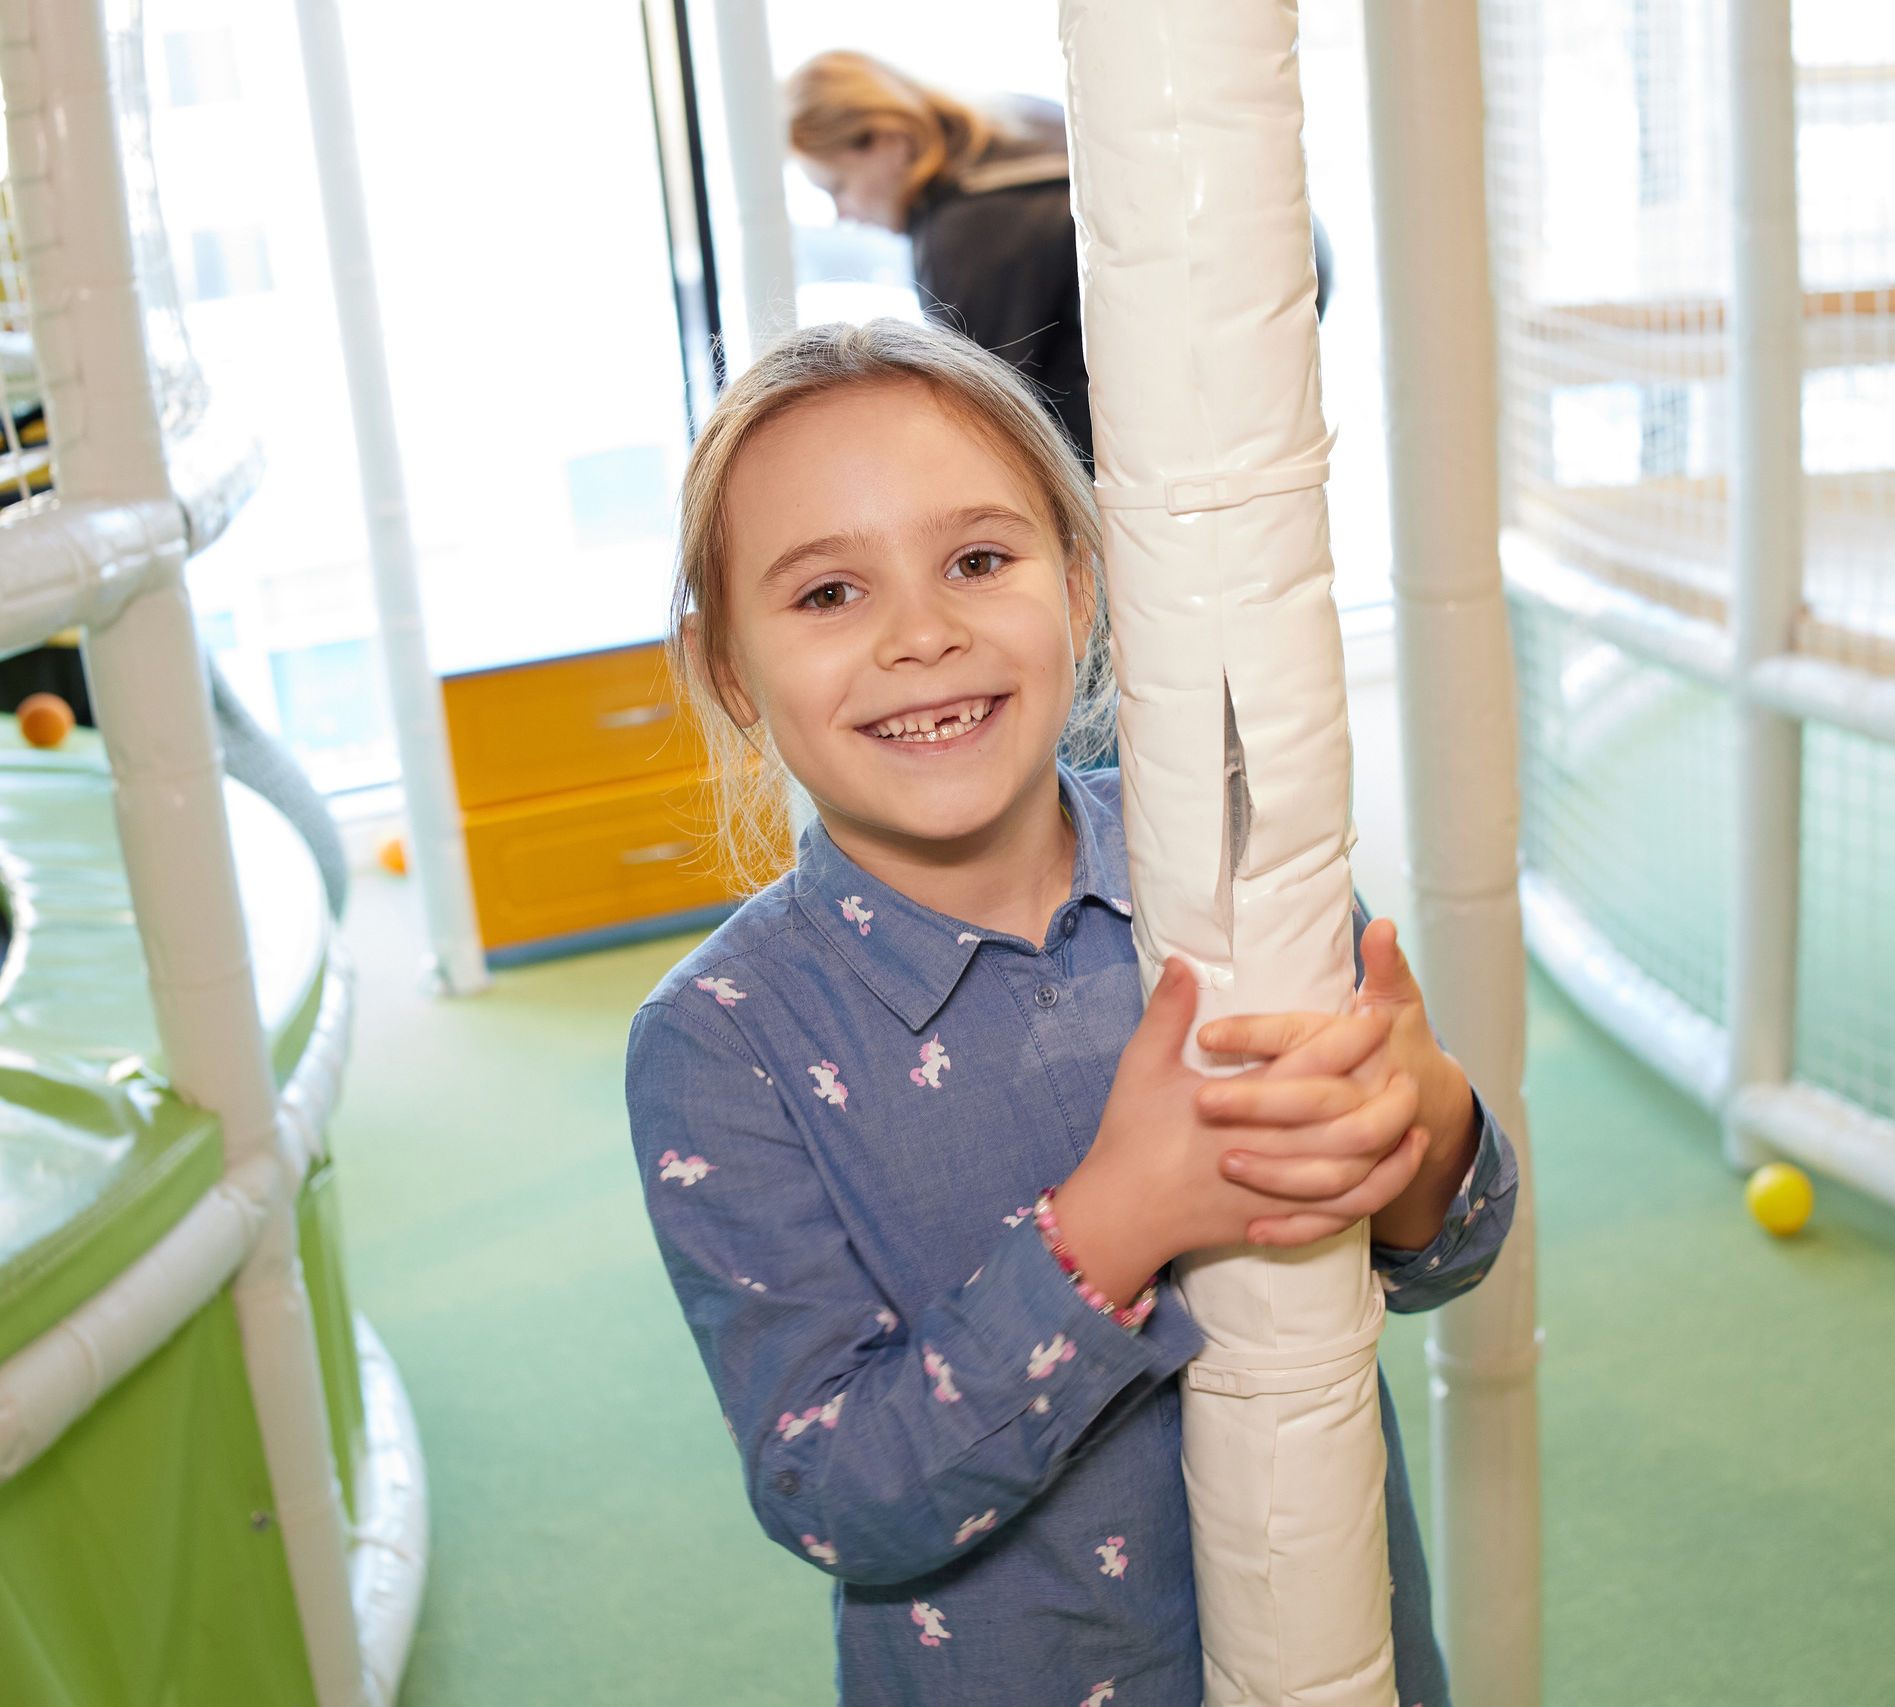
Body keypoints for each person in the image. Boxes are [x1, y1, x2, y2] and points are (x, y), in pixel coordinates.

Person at [624, 319, 1514, 1705]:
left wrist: (1429, 1125)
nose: (924, 633)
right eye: (827, 594)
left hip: (1347, 1643)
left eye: (978, 560)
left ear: (1083, 588)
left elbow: (1439, 1253)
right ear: (727, 668)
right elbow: (834, 1488)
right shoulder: (721, 1040)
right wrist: (1113, 1224)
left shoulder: (1230, 871)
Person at [787, 51, 1332, 469]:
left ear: (886, 139)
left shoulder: (964, 229)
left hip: (1201, 376)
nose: (842, 214)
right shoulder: (1015, 125)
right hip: (1283, 280)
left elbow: (992, 418)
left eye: (838, 186)